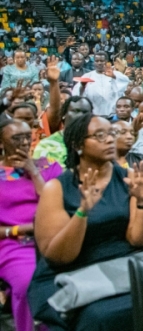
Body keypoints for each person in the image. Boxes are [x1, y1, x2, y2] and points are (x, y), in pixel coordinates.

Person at [29, 112, 143, 330]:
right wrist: (82, 212)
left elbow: (139, 239)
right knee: (100, 316)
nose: (109, 140)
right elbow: (59, 256)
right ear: (77, 144)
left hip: (122, 264)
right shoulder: (57, 188)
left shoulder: (128, 177)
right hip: (73, 271)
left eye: (111, 134)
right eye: (99, 136)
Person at [0, 118, 63, 331]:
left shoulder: (48, 166)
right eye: (17, 138)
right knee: (29, 282)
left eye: (28, 136)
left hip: (54, 238)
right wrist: (19, 229)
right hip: (14, 244)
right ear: (1, 143)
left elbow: (57, 202)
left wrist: (33, 171)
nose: (24, 142)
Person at [32, 96, 93, 167]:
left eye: (85, 112)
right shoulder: (47, 145)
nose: (81, 116)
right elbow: (42, 175)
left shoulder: (96, 145)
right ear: (64, 114)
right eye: (76, 111)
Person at [71, 53, 129, 117]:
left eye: (101, 61)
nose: (99, 63)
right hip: (93, 115)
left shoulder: (115, 74)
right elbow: (76, 94)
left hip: (112, 114)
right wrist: (82, 87)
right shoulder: (87, 76)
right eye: (97, 61)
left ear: (106, 62)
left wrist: (114, 76)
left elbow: (126, 82)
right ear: (94, 62)